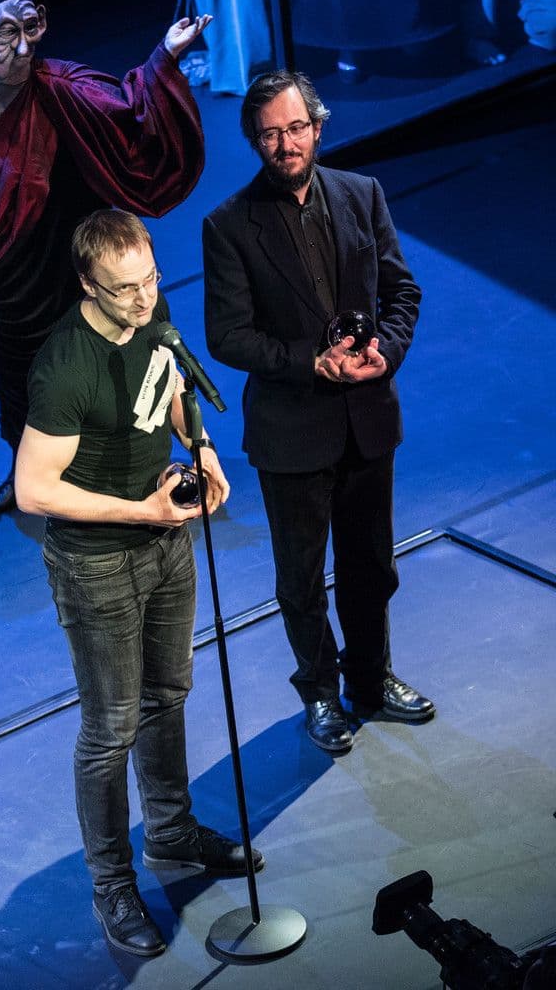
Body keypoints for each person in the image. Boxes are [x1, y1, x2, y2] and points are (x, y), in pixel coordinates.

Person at [15, 209, 264, 957]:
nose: (145, 297)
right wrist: (140, 511)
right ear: (88, 285)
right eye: (125, 289)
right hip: (98, 562)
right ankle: (111, 884)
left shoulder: (149, 310)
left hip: (165, 541)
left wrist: (203, 448)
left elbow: (172, 386)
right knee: (111, 728)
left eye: (150, 279)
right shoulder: (65, 366)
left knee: (169, 692)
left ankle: (171, 831)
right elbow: (33, 488)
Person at [202, 70, 435, 756]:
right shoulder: (228, 225)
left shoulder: (363, 193)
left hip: (367, 417)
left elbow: (402, 293)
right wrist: (312, 362)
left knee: (371, 565)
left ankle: (371, 679)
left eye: (296, 128)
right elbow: (228, 336)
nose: (286, 144)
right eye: (270, 134)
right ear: (253, 140)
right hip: (291, 432)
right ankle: (321, 695)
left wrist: (385, 353)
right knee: (301, 580)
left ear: (318, 126)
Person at [0, 0, 209, 517]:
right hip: (12, 274)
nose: (23, 48)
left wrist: (165, 58)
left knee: (122, 356)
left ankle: (135, 464)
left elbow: (128, 110)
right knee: (19, 376)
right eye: (5, 35)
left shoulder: (62, 85)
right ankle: (23, 472)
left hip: (83, 262)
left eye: (30, 28)